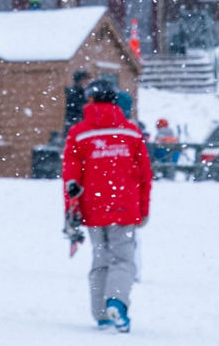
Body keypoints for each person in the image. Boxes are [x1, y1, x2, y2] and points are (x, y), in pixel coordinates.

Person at [61, 79, 152, 332]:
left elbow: (70, 177)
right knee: (123, 259)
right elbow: (145, 175)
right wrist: (144, 209)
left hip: (92, 208)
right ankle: (117, 303)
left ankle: (101, 314)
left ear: (90, 100)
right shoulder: (132, 133)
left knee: (100, 258)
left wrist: (71, 211)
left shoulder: (78, 134)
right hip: (125, 207)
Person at [63, 69, 90, 133]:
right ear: (79, 80)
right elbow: (79, 108)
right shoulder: (73, 93)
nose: (87, 81)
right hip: (74, 124)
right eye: (85, 79)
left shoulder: (84, 91)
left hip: (79, 124)